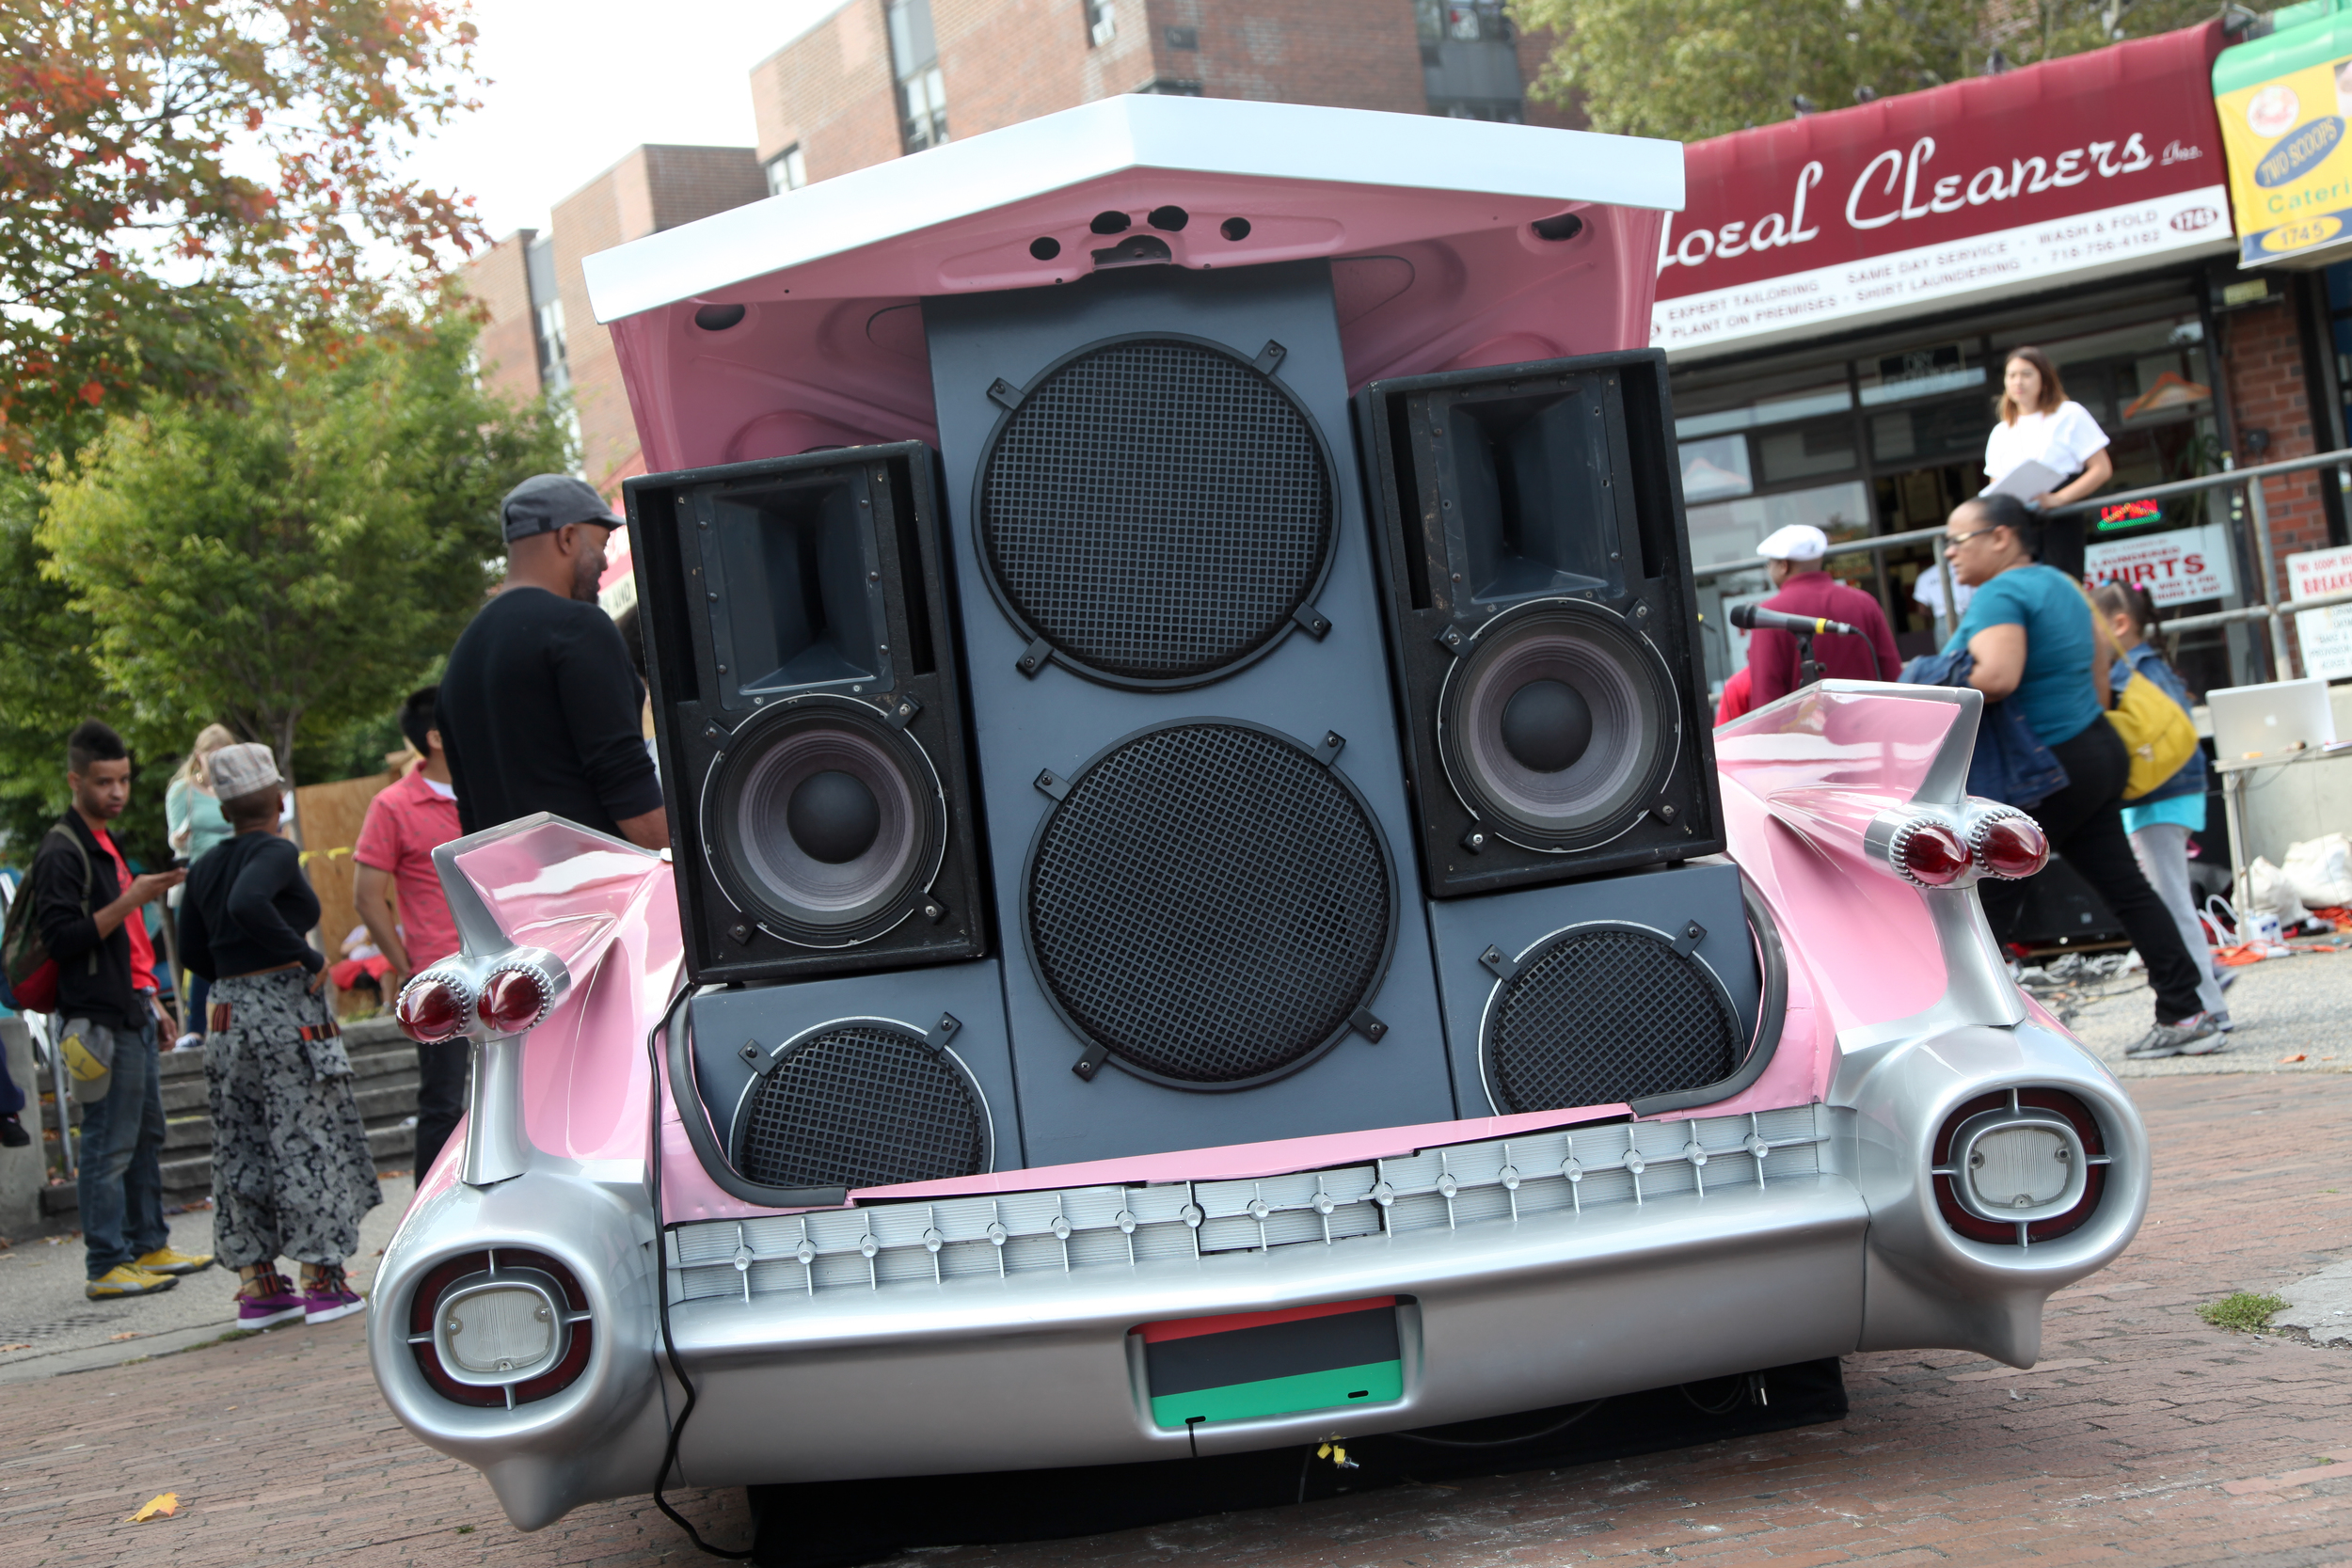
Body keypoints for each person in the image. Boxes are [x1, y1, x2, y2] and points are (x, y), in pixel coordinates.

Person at [1938, 494, 2217, 1059]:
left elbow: (1997, 675)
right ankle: (2186, 1011)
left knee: (1986, 895)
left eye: (1958, 539)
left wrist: (1927, 685)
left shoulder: (2000, 592)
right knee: (2126, 888)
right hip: (2094, 749)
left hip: (2046, 767)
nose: (1949, 553)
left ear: (2003, 536)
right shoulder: (2064, 585)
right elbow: (2097, 670)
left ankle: (1985, 1036)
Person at [179, 743, 381, 1328]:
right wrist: (301, 953)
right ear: (275, 796)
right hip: (282, 1009)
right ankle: (322, 1279)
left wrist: (234, 977)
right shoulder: (273, 850)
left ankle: (259, 1284)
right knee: (304, 1135)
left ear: (221, 802)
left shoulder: (206, 864)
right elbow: (250, 902)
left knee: (240, 1138)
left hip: (226, 1014)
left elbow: (194, 950)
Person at [30, 721, 211, 1298]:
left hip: (128, 1006)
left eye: (125, 780)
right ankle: (105, 1263)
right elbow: (62, 938)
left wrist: (151, 997)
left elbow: (129, 940)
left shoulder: (102, 842)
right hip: (95, 1018)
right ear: (75, 780)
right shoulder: (63, 849)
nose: (117, 792)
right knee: (107, 1142)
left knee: (145, 1133)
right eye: (104, 781)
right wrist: (133, 897)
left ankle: (146, 1243)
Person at [436, 475, 668, 848]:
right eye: (602, 544)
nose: (606, 562)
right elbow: (625, 781)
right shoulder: (578, 627)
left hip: (513, 897)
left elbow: (472, 816)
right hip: (601, 889)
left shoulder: (464, 654)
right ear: (567, 537)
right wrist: (684, 872)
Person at [2092, 579, 2232, 1024]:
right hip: (2168, 798)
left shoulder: (2133, 672)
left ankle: (2210, 1005)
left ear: (2119, 623)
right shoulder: (2150, 667)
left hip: (2160, 800)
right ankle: (2208, 977)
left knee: (2172, 906)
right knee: (2171, 901)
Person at [353, 687, 468, 1178]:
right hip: (440, 976)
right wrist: (404, 967)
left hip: (508, 963)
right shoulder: (392, 805)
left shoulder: (485, 786)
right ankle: (425, 1224)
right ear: (437, 736)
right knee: (441, 1102)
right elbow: (365, 896)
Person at [1741, 525, 1902, 707]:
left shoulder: (1769, 615)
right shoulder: (1865, 602)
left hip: (1804, 732)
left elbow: (1766, 697)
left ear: (1784, 566)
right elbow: (1893, 677)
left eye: (1769, 564)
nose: (1768, 570)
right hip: (1871, 729)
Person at [165, 723, 238, 1049]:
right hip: (201, 877)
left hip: (235, 874)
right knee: (202, 951)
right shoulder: (183, 791)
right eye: (214, 757)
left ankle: (233, 1021)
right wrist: (179, 840)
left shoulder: (234, 788)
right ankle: (197, 1027)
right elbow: (175, 837)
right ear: (200, 757)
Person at [1985, 346, 2113, 513]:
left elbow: (2102, 469)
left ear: (2044, 380)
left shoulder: (2069, 414)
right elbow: (1995, 487)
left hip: (2062, 513)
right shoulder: (2000, 432)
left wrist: (2058, 498)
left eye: (2026, 374)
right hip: (2019, 519)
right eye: (2012, 375)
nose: (2018, 382)